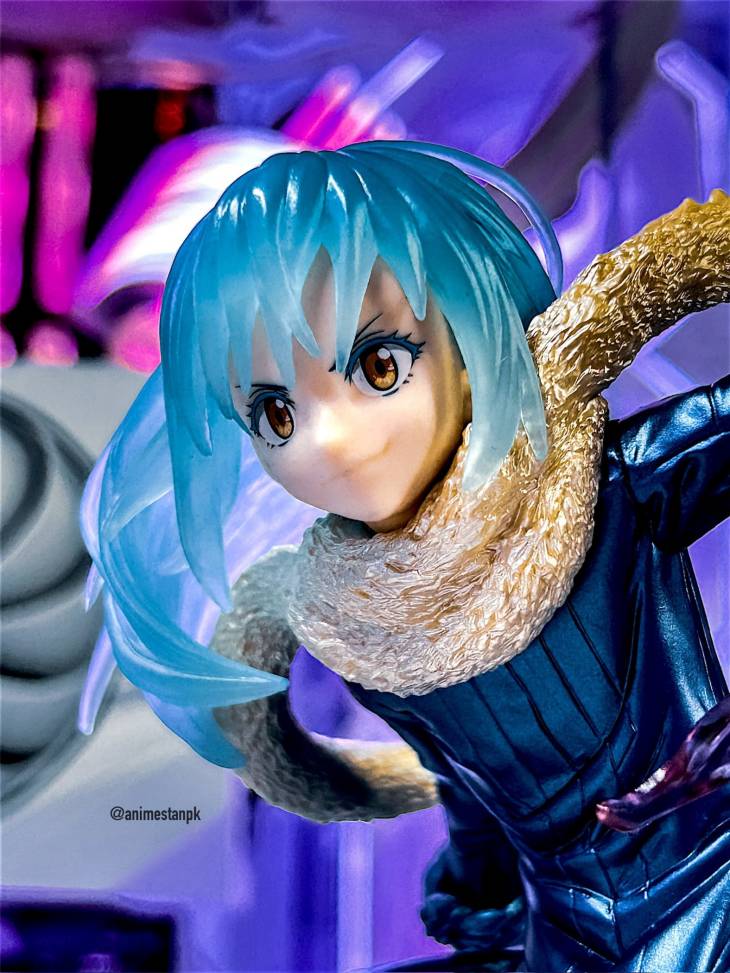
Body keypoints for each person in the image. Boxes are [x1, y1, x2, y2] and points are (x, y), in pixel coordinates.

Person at [80, 142, 730, 971]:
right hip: (562, 930)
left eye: (379, 364)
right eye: (276, 414)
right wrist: (478, 895)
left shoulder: (606, 486)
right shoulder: (364, 627)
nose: (328, 440)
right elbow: (470, 792)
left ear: (471, 331)